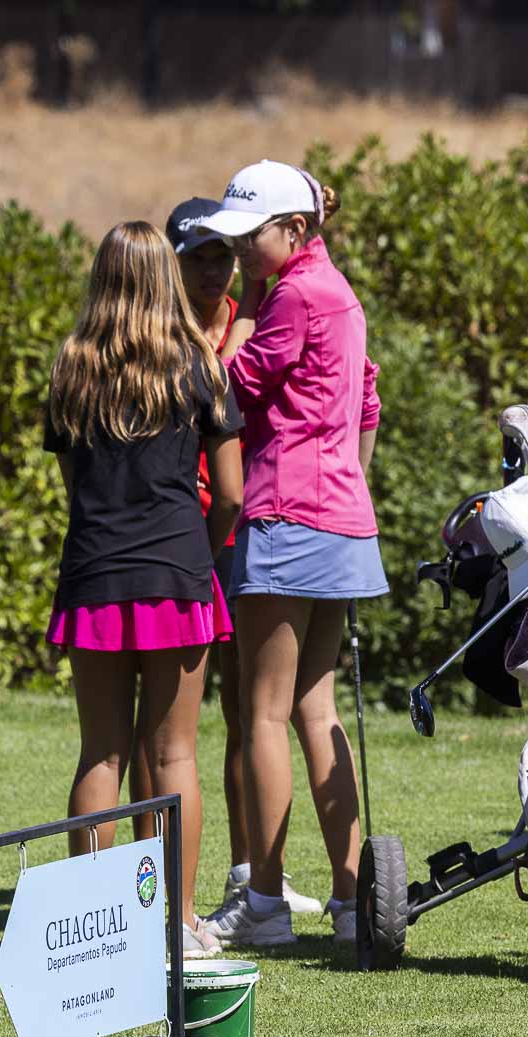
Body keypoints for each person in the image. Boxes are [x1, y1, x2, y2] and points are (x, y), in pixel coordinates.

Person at [196, 160, 386, 949]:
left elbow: (221, 386)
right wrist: (347, 486)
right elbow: (368, 405)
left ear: (295, 229)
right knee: (315, 708)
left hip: (284, 515)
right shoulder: (340, 295)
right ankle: (350, 902)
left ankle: (265, 902)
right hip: (341, 521)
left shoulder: (295, 296)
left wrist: (239, 312)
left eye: (251, 235)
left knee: (264, 711)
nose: (240, 250)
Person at [44, 220, 243, 962]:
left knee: (100, 755)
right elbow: (231, 493)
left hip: (94, 576)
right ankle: (177, 924)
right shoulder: (199, 366)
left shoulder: (71, 368)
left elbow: (74, 487)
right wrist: (199, 553)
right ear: (165, 277)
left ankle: (97, 931)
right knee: (175, 755)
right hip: (178, 576)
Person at [140, 196, 326, 921]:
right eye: (198, 257)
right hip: (180, 535)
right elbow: (217, 385)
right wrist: (249, 303)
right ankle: (151, 886)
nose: (212, 269)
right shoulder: (160, 332)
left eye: (224, 254)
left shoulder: (252, 316)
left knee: (248, 705)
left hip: (241, 525)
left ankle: (249, 875)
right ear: (172, 262)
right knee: (162, 725)